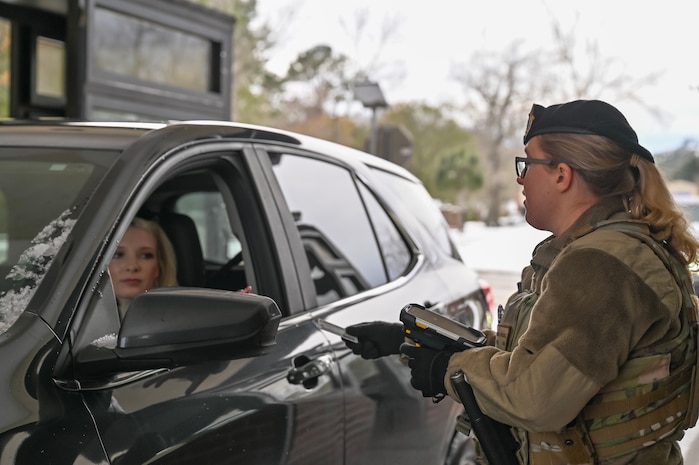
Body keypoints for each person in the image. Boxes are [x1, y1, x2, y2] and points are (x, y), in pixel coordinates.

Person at [346, 99, 699, 465]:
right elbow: (537, 351)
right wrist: (410, 340)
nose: (519, 177)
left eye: (527, 163)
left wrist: (446, 370)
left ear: (562, 174)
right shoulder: (602, 250)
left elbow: (534, 396)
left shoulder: (602, 264)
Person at [109, 217, 178, 318]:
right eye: (118, 255)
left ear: (159, 267)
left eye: (146, 256)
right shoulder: (80, 319)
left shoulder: (179, 320)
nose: (132, 266)